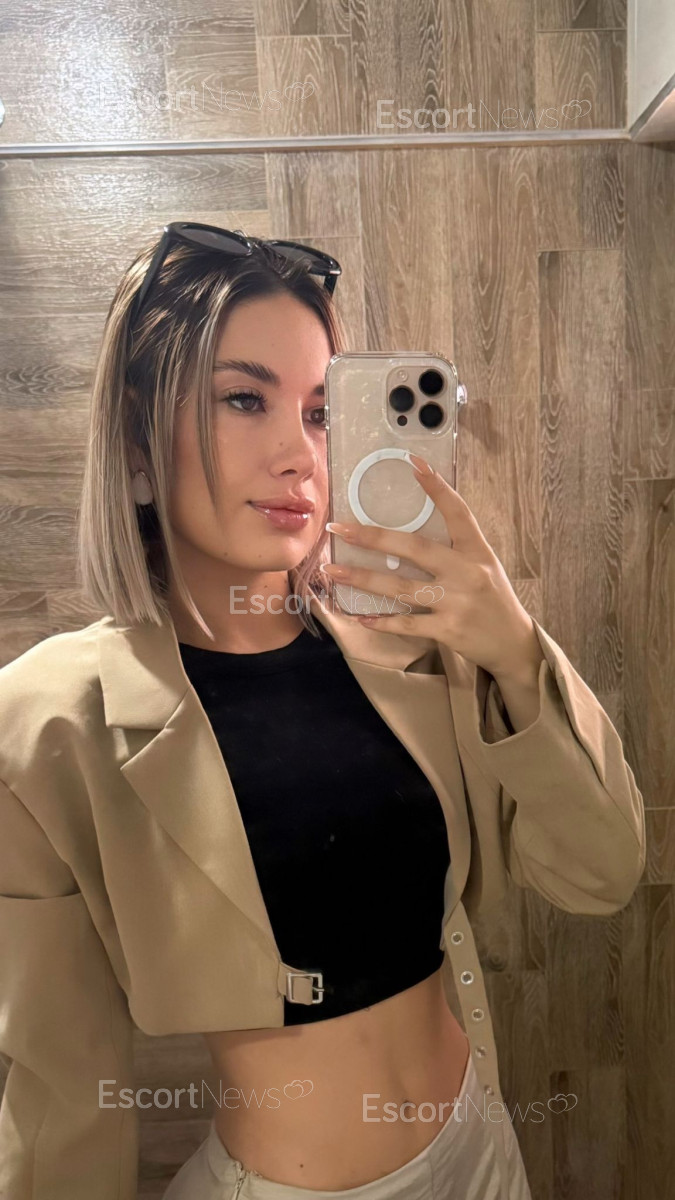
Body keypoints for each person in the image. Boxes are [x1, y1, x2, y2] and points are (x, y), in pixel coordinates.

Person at [0, 223, 646, 1200]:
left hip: (483, 1153)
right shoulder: (50, 726)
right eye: (243, 399)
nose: (298, 455)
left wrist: (516, 650)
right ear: (135, 439)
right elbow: (60, 1095)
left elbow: (601, 874)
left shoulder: (410, 649)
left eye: (318, 411)